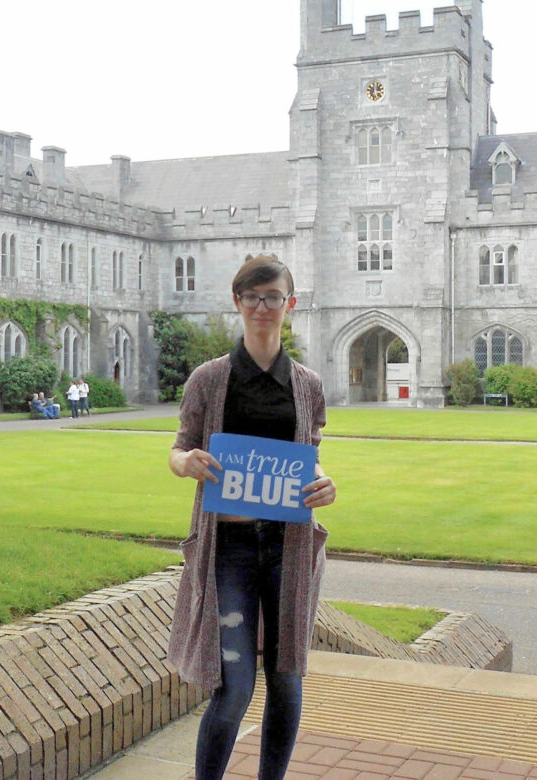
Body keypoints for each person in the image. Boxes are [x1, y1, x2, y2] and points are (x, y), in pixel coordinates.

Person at [167, 255, 336, 780]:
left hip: (288, 548)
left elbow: (309, 456)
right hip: (230, 550)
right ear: (237, 303)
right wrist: (187, 464)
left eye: (273, 297)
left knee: (286, 680)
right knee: (233, 685)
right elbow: (178, 450)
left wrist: (325, 485)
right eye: (252, 297)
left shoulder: (306, 385)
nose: (262, 307)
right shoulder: (210, 379)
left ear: (291, 303)